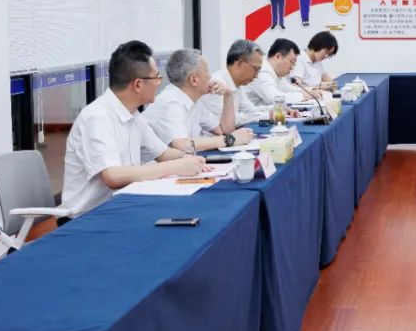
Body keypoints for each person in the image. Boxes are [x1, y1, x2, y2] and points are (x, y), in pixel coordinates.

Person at [61, 41, 207, 217]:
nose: (159, 84)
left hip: (123, 206)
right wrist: (176, 166)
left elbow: (163, 153)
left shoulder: (134, 115)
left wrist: (192, 160)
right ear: (138, 84)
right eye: (156, 78)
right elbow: (113, 176)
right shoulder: (97, 117)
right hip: (89, 217)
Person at [144, 48, 255, 153]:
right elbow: (182, 145)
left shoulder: (194, 101)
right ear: (194, 80)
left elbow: (224, 130)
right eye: (207, 71)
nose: (210, 76)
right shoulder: (170, 101)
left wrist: (228, 95)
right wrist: (231, 139)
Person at [200, 39, 269, 127]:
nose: (257, 75)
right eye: (256, 69)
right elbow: (228, 121)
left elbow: (249, 110)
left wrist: (275, 110)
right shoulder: (216, 84)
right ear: (239, 63)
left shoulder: (237, 84)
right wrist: (267, 116)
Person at [243, 38, 302, 108]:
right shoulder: (262, 70)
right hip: (251, 114)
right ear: (278, 57)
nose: (292, 67)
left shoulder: (275, 72)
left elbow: (288, 88)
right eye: (292, 62)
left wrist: (310, 91)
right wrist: (303, 96)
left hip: (262, 112)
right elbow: (275, 99)